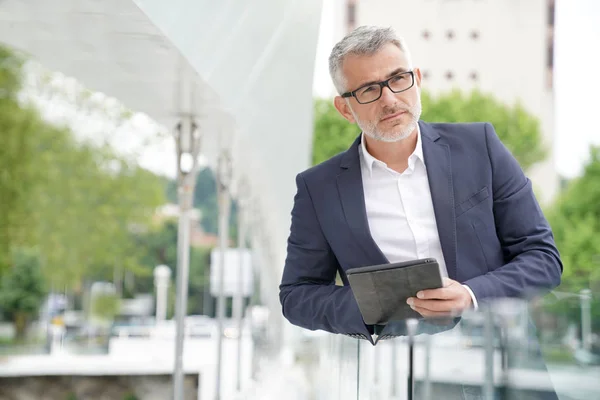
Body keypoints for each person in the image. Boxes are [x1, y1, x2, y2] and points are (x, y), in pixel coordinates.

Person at [279, 26, 562, 343]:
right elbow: (296, 295)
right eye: (369, 89)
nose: (389, 99)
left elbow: (543, 258)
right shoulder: (318, 189)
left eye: (398, 79)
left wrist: (471, 295)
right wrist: (376, 305)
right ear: (345, 108)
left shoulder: (481, 147)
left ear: (417, 78)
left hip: (496, 361)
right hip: (391, 371)